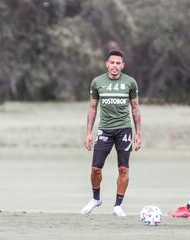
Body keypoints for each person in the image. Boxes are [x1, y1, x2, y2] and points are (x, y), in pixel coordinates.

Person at [81, 49, 142, 217]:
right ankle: (95, 199)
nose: (114, 66)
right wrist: (88, 133)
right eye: (112, 63)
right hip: (104, 130)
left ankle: (117, 205)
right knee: (95, 169)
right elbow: (92, 108)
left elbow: (135, 108)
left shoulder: (130, 82)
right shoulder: (97, 82)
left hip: (124, 129)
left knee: (123, 169)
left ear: (122, 66)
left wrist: (138, 134)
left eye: (118, 63)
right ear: (107, 64)